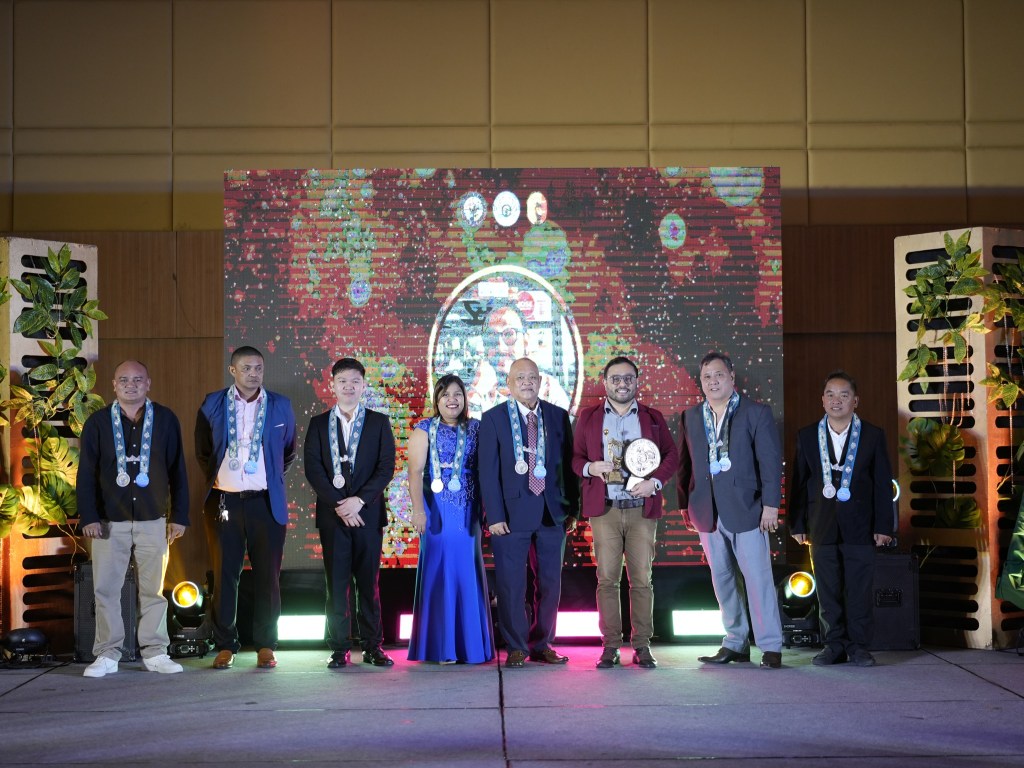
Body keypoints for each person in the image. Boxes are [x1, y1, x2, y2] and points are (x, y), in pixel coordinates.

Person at [78, 360, 189, 677]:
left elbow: (177, 471)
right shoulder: (98, 423)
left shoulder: (165, 420)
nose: (131, 384)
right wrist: (89, 516)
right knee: (106, 591)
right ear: (113, 385)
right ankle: (108, 654)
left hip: (154, 520)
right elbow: (86, 474)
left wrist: (178, 516)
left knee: (153, 591)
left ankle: (155, 653)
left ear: (148, 383)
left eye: (137, 379)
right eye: (123, 380)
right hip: (107, 523)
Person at [677, 351, 785, 669]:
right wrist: (684, 504)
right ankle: (735, 642)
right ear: (701, 382)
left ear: (732, 378)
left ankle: (770, 645)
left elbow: (769, 463)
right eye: (707, 377)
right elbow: (685, 464)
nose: (713, 381)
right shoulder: (692, 416)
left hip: (748, 510)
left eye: (719, 375)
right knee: (722, 579)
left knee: (758, 578)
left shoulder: (755, 413)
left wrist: (770, 506)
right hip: (706, 513)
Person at [572, 356, 679, 669]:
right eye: (616, 378)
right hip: (604, 509)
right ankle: (610, 647)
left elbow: (672, 456)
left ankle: (643, 646)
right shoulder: (589, 417)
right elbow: (575, 459)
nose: (622, 383)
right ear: (605, 381)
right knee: (607, 580)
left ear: (637, 381)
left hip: (641, 511)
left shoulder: (652, 417)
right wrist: (591, 467)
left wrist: (655, 482)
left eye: (628, 378)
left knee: (642, 581)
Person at [196, 346, 296, 670]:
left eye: (258, 368)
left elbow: (289, 452)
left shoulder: (281, 406)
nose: (253, 373)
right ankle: (226, 645)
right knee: (225, 574)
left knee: (268, 577)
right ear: (232, 370)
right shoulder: (212, 403)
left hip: (266, 503)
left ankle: (266, 644)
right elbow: (203, 452)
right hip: (225, 501)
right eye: (247, 368)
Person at [789, 371, 895, 667]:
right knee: (827, 589)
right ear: (822, 400)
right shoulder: (808, 435)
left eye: (844, 395)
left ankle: (858, 646)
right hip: (820, 525)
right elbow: (799, 481)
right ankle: (833, 645)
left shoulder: (873, 435)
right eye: (831, 395)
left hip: (861, 525)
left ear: (855, 401)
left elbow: (881, 483)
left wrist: (884, 526)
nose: (837, 401)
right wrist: (797, 523)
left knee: (859, 589)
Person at [478, 357, 579, 667]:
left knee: (550, 583)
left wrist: (573, 508)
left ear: (540, 381)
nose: (526, 382)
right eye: (519, 377)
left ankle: (543, 643)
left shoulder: (558, 416)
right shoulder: (493, 418)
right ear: (509, 384)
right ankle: (517, 645)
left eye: (532, 377)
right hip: (509, 515)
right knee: (511, 583)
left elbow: (569, 466)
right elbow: (487, 471)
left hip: (553, 513)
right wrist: (493, 515)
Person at [304, 357, 396, 669]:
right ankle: (339, 647)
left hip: (368, 516)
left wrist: (359, 501)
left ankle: (373, 646)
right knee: (337, 584)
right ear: (332, 385)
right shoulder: (318, 424)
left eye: (355, 381)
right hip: (333, 517)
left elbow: (386, 469)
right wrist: (340, 505)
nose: (349, 386)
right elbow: (314, 470)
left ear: (363, 385)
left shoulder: (378, 422)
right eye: (342, 381)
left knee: (368, 584)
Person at [406, 374, 493, 664]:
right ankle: (441, 647)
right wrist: (418, 510)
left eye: (458, 394)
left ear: (465, 399)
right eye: (446, 395)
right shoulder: (422, 429)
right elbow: (415, 473)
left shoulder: (477, 428)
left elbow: (488, 470)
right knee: (438, 569)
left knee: (466, 569)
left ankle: (470, 647)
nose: (452, 400)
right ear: (437, 399)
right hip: (435, 508)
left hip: (468, 508)